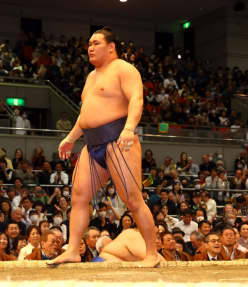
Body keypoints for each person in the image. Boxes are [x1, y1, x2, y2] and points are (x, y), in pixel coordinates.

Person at [49, 27, 159, 267]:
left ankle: (151, 254)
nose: (90, 47)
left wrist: (130, 128)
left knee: (132, 198)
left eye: (96, 42)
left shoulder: (124, 69)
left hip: (118, 140)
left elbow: (136, 100)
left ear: (111, 47)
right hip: (91, 143)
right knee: (78, 197)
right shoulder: (91, 77)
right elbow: (85, 114)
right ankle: (73, 250)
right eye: (88, 43)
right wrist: (70, 138)